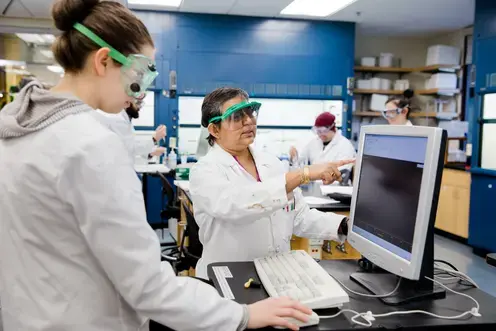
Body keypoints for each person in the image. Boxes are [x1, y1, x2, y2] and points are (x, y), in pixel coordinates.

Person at [0, 1, 312, 330]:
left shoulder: (18, 125)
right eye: (139, 75)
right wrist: (244, 315)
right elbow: (146, 285)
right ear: (103, 61)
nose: (142, 93)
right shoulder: (89, 145)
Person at [189, 87, 354, 279]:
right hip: (229, 280)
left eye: (250, 112)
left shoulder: (271, 163)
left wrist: (345, 225)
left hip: (276, 275)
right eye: (236, 116)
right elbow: (236, 204)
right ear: (214, 130)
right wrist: (303, 174)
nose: (248, 120)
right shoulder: (204, 171)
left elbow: (299, 217)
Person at [94, 102, 167, 163]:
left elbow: (132, 144)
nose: (139, 107)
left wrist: (151, 153)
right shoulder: (117, 118)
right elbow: (130, 147)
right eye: (138, 103)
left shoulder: (126, 121)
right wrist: (154, 138)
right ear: (127, 103)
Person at [289, 112, 355, 170]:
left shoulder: (345, 145)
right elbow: (301, 163)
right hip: (314, 182)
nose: (320, 134)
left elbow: (343, 171)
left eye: (323, 131)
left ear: (332, 128)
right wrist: (294, 157)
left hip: (334, 184)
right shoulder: (313, 142)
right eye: (318, 131)